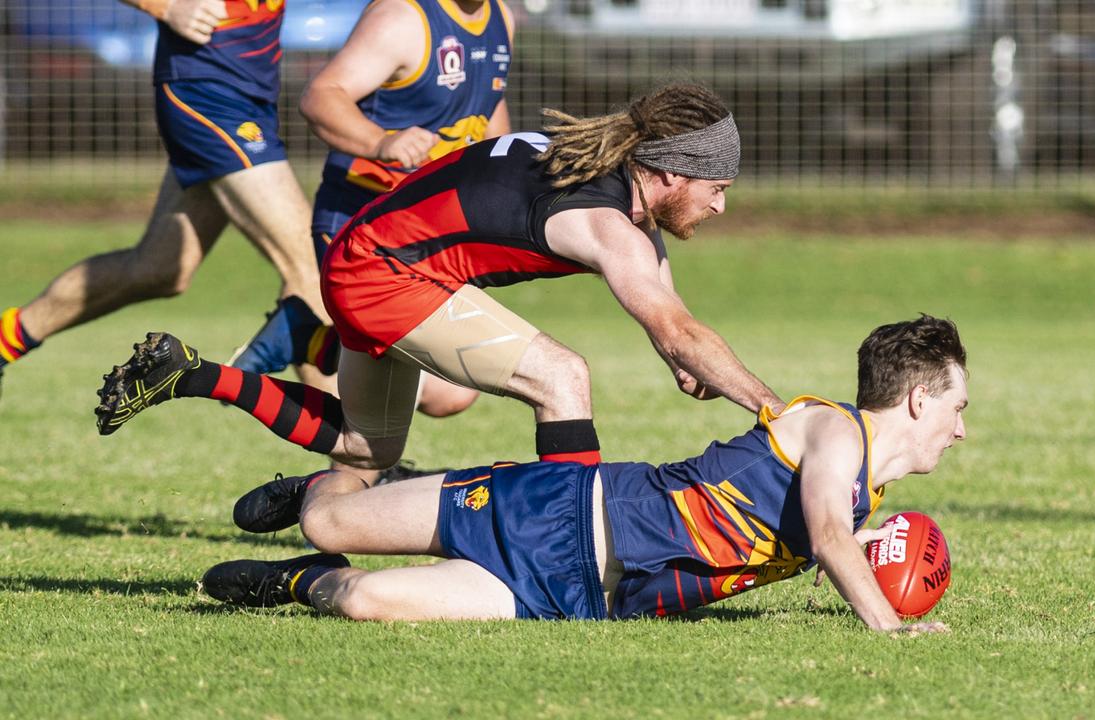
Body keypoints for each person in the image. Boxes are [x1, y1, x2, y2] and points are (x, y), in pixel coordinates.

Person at [95, 83, 783, 471]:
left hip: (366, 253)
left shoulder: (598, 167)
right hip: (385, 276)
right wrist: (777, 413)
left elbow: (669, 311)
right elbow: (679, 331)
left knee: (367, 446)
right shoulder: (603, 221)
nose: (721, 205)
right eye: (715, 188)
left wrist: (683, 357)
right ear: (667, 172)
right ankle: (569, 552)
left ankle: (187, 374)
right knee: (562, 376)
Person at [200, 315, 966, 633]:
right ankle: (313, 489)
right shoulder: (836, 431)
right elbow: (828, 535)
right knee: (329, 519)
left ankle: (293, 582)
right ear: (920, 396)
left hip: (575, 594)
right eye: (956, 407)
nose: (961, 428)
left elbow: (833, 529)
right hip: (560, 509)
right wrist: (888, 628)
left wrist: (885, 550)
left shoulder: (865, 485)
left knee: (366, 600)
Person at [0, 0, 326, 399]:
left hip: (246, 93)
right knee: (311, 268)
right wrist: (166, 6)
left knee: (161, 268)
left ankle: (4, 342)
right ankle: (356, 459)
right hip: (209, 93)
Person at [231, 0, 520, 423]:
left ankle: (306, 337)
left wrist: (505, 172)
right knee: (397, 391)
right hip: (363, 226)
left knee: (448, 393)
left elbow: (488, 99)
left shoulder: (502, 18)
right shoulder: (401, 18)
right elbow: (321, 97)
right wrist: (380, 143)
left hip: (435, 230)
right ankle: (354, 482)